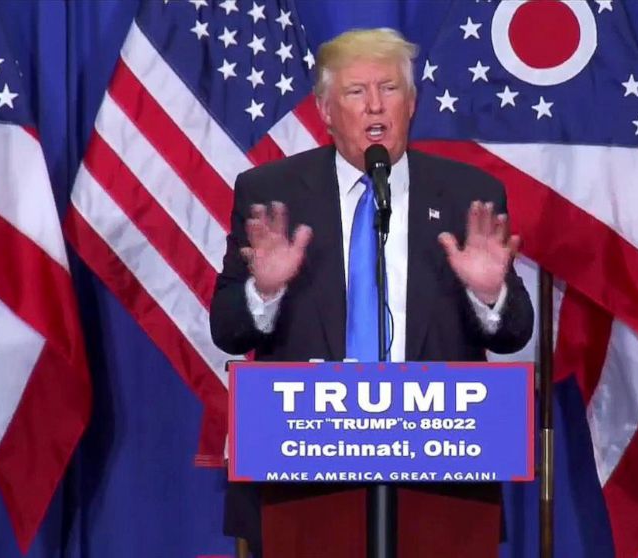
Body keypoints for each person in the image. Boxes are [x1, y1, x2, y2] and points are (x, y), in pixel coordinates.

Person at [210, 28, 534, 558]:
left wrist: (490, 293)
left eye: (389, 89)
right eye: (356, 92)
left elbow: (513, 333)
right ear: (325, 110)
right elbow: (227, 329)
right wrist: (263, 290)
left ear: (412, 104)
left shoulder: (466, 195)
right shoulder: (271, 194)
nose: (375, 105)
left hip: (441, 481)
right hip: (305, 482)